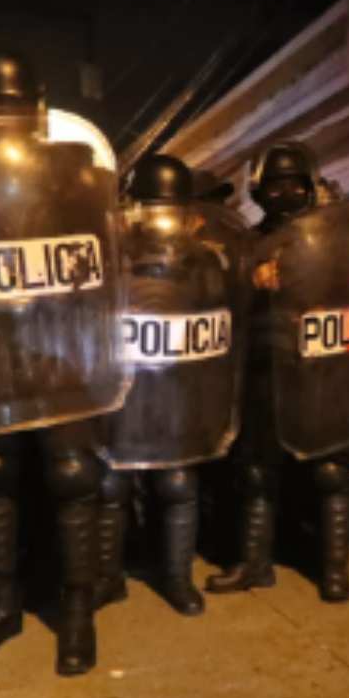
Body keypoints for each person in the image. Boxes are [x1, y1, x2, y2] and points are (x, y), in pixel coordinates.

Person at [0, 51, 122, 673]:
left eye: (12, 112)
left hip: (61, 349)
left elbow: (108, 254)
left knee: (72, 474)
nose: (5, 124)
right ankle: (2, 607)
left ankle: (77, 612)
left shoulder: (73, 170)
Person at [205, 142, 349, 602]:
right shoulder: (247, 242)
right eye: (276, 186)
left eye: (294, 185)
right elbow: (223, 295)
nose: (285, 192)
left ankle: (335, 567)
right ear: (259, 191)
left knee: (330, 471)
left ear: (309, 188)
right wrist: (250, 278)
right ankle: (254, 563)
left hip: (323, 367)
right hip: (264, 366)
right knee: (258, 472)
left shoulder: (335, 236)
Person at [99, 153, 250, 617]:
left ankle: (177, 577)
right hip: (125, 387)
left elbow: (221, 326)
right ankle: (108, 578)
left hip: (178, 387)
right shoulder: (110, 254)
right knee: (112, 484)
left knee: (179, 482)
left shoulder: (204, 260)